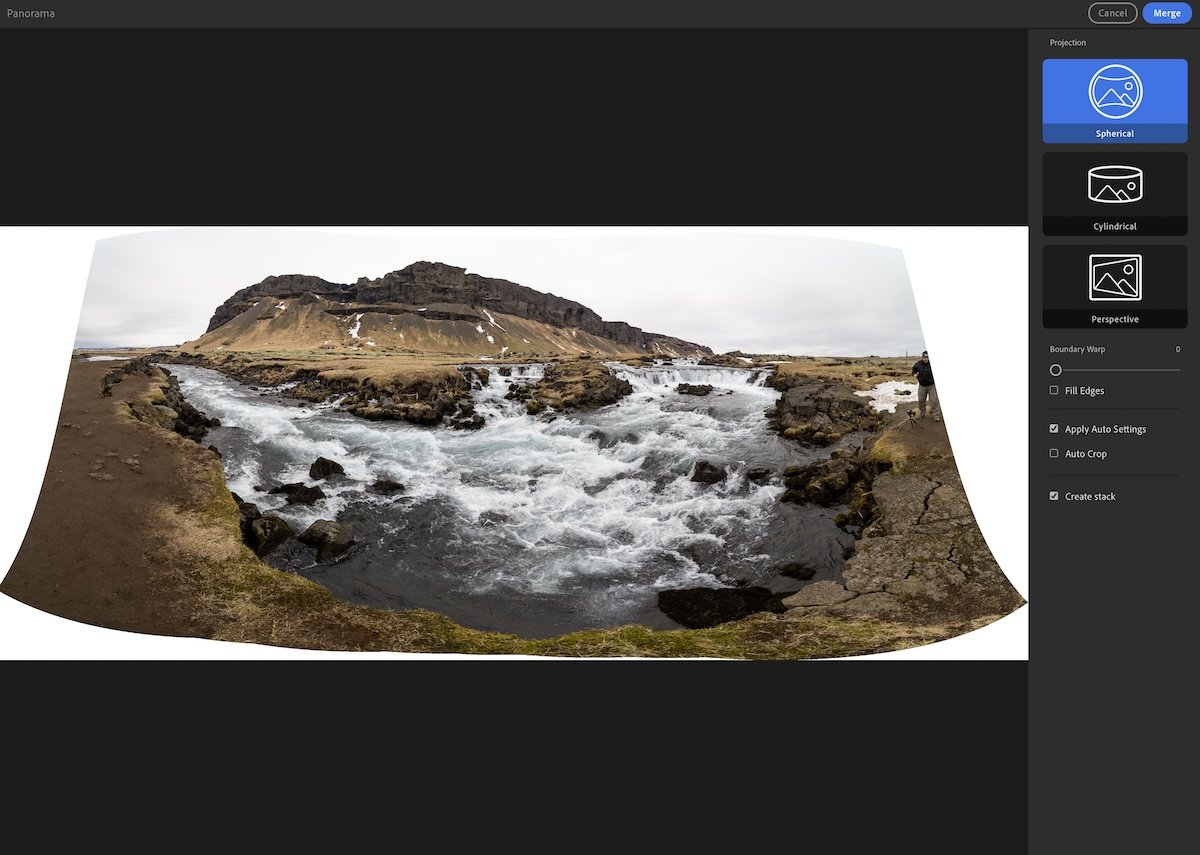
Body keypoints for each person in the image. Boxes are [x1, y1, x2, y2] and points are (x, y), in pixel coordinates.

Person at [911, 350, 940, 421]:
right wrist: (914, 374)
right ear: (922, 357)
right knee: (921, 400)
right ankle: (922, 413)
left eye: (926, 357)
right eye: (924, 357)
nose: (925, 358)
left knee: (933, 401)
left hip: (932, 386)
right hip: (922, 386)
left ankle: (935, 415)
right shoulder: (918, 364)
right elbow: (913, 370)